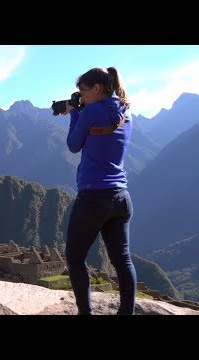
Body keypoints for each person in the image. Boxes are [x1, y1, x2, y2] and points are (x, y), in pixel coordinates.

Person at [60, 67, 137, 315]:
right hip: (121, 197)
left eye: (82, 91)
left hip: (94, 197)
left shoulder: (91, 111)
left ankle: (86, 313)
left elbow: (73, 145)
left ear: (96, 88)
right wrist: (82, 111)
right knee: (122, 260)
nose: (80, 97)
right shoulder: (126, 112)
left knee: (74, 258)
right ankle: (127, 312)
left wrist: (74, 113)